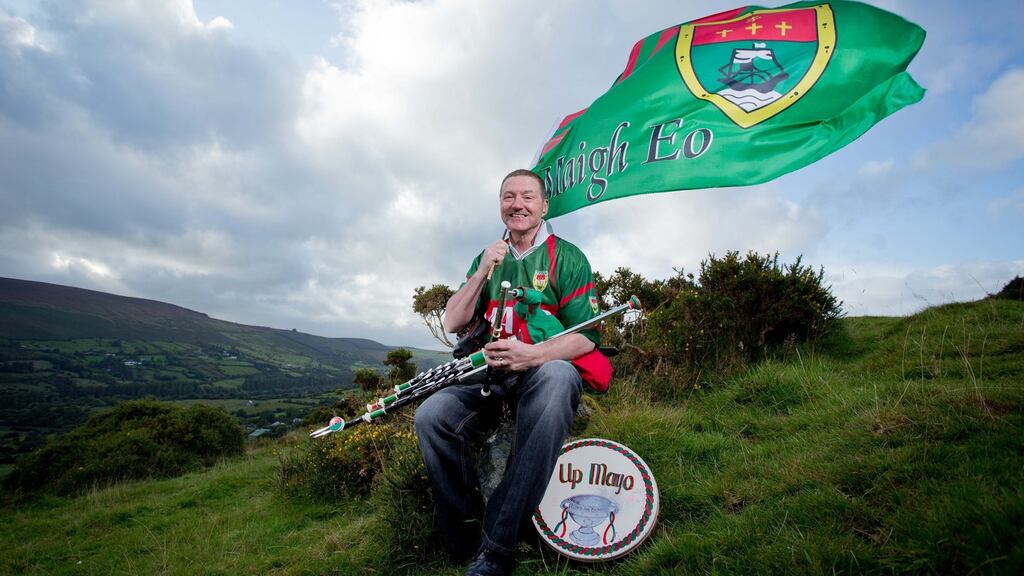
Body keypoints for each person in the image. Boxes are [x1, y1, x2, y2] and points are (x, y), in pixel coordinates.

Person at [414, 169, 602, 576]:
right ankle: (464, 535)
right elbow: (452, 321)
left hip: (539, 372)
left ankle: (497, 548)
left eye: (528, 197)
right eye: (509, 197)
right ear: (500, 204)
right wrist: (482, 271)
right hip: (487, 374)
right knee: (431, 417)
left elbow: (587, 337)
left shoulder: (567, 257)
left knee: (559, 380)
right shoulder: (488, 255)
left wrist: (530, 356)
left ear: (544, 205)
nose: (517, 204)